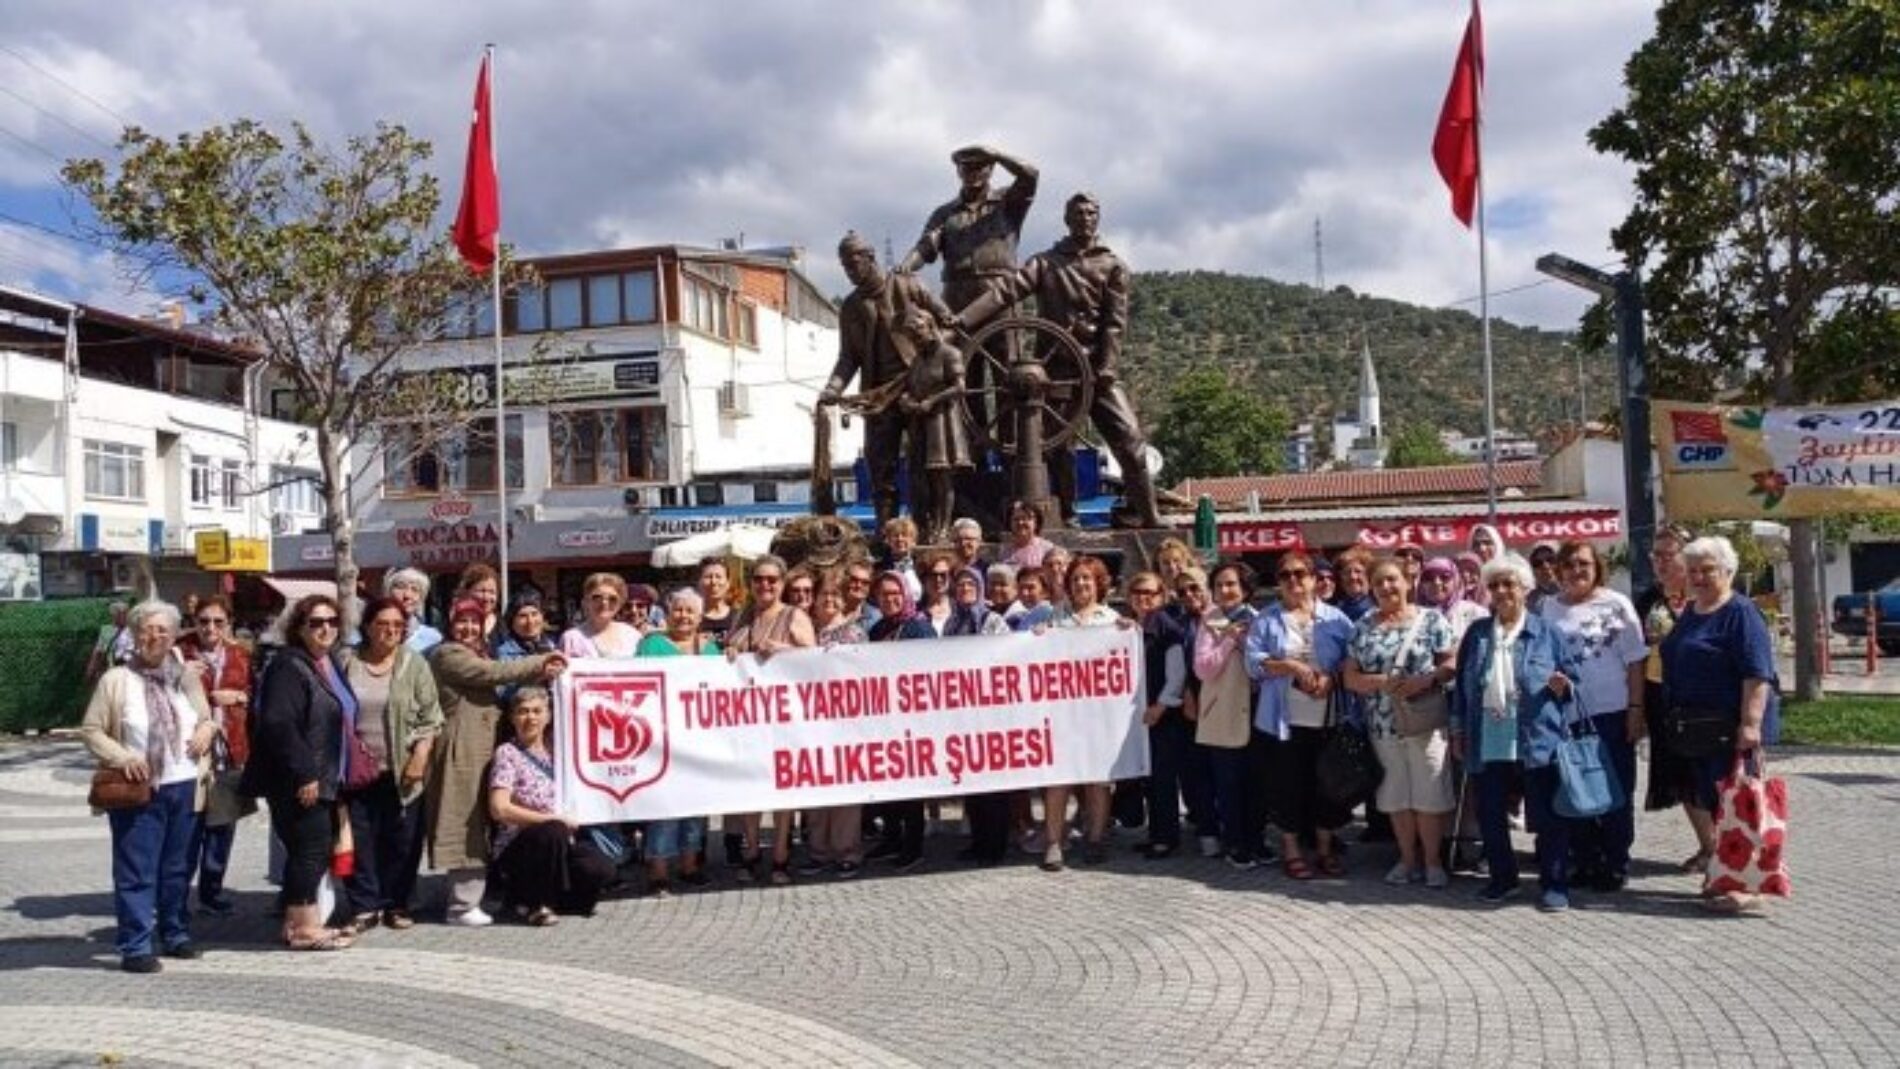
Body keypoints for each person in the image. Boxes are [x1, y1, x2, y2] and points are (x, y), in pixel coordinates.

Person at [958, 192, 1160, 527]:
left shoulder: (1113, 266)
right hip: (1054, 374)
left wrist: (1107, 367)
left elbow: (1115, 324)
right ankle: (1065, 516)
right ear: (1067, 219)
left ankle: (1150, 516)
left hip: (1097, 371)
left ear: (1098, 218)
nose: (1085, 218)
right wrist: (963, 319)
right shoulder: (1045, 263)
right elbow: (1004, 292)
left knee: (1131, 442)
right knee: (1055, 449)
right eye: (1078, 213)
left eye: (1091, 212)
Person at [82, 599, 220, 973]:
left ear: (174, 635)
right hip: (138, 789)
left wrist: (207, 729)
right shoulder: (117, 681)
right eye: (146, 629)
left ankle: (175, 933)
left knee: (178, 868)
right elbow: (91, 730)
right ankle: (136, 944)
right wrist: (123, 757)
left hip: (186, 785)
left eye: (163, 629)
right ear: (134, 634)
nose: (155, 636)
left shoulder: (185, 678)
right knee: (136, 870)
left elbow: (207, 717)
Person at [1448, 554, 1580, 910]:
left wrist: (1563, 685)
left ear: (1525, 588)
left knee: (1547, 815)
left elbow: (1573, 682)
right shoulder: (1476, 634)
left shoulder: (1547, 633)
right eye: (1494, 585)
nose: (1502, 591)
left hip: (1537, 738)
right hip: (1487, 736)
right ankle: (1502, 879)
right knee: (1490, 813)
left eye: (1509, 584)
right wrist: (1458, 731)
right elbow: (1461, 689)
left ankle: (1554, 883)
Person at [1660, 535, 1780, 915]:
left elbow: (1757, 673)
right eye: (1693, 570)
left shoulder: (1741, 613)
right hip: (1696, 726)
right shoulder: (1694, 610)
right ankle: (1723, 874)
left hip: (1730, 726)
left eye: (1707, 569)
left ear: (1728, 571)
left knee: (1737, 806)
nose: (1698, 576)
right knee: (1713, 803)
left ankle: (1747, 885)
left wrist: (1750, 723)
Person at [428, 598, 565, 926]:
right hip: (463, 748)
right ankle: (461, 906)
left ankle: (491, 894)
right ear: (450, 624)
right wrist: (540, 662)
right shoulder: (448, 654)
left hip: (484, 748)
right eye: (462, 622)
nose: (469, 628)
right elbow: (492, 673)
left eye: (475, 622)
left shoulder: (477, 652)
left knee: (483, 824)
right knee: (465, 823)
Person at [819, 231, 954, 529]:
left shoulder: (907, 284)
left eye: (854, 264)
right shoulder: (852, 307)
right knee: (880, 469)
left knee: (923, 466)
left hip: (918, 390)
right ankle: (886, 531)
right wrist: (832, 389)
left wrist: (933, 360)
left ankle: (927, 527)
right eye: (844, 267)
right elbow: (848, 358)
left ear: (870, 258)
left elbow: (947, 320)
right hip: (878, 397)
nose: (850, 272)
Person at [244, 594, 356, 951]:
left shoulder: (325, 663)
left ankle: (296, 924)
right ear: (298, 627)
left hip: (326, 775)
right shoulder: (288, 665)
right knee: (309, 849)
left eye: (332, 622)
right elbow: (278, 723)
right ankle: (304, 927)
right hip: (300, 779)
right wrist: (305, 773)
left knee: (311, 848)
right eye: (316, 623)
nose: (325, 629)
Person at [1538, 540, 1646, 892]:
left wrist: (1635, 708)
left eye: (1583, 563)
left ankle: (1615, 861)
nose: (1576, 571)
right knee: (1575, 788)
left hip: (1612, 712)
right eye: (1568, 564)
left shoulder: (1616, 605)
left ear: (1596, 567)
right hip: (1566, 717)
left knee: (1616, 790)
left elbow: (1634, 661)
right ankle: (1584, 859)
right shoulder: (1548, 607)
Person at [1343, 558, 1457, 889]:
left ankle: (1433, 862)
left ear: (1407, 583)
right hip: (1383, 724)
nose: (1387, 588)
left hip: (1425, 722)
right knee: (1397, 797)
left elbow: (1451, 662)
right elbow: (1350, 678)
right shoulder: (1363, 625)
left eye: (1392, 580)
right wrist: (1380, 681)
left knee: (1429, 795)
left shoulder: (1431, 619)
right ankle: (1407, 860)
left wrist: (1427, 680)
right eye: (1379, 583)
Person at [1247, 553, 1355, 879]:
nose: (1293, 581)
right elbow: (1252, 663)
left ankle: (1324, 849)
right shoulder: (1266, 619)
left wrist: (1332, 678)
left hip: (1329, 717)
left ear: (1313, 578)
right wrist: (1289, 665)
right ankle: (1292, 849)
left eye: (1300, 574)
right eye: (1285, 575)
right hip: (1283, 721)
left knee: (1329, 788)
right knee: (1287, 787)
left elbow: (1353, 661)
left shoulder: (1337, 619)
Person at [339, 596, 443, 933]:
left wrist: (420, 756)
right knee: (361, 837)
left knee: (403, 840)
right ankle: (365, 906)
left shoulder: (414, 664)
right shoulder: (347, 661)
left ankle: (397, 903)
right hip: (356, 770)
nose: (391, 631)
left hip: (402, 768)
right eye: (383, 624)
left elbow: (432, 717)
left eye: (398, 626)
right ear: (368, 626)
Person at [724, 554, 817, 885]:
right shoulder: (743, 616)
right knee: (748, 785)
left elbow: (814, 659)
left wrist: (782, 649)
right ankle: (751, 850)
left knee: (782, 790)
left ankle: (780, 855)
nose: (765, 585)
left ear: (781, 584)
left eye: (771, 580)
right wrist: (731, 652)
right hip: (748, 719)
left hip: (784, 719)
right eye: (759, 579)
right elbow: (727, 654)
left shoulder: (794, 615)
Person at [488, 687, 615, 925]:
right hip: (521, 844)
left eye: (537, 711)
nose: (531, 718)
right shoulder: (508, 753)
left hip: (561, 841)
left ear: (548, 716)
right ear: (513, 717)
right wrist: (551, 820)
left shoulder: (558, 752)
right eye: (523, 712)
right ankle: (538, 904)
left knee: (601, 867)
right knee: (552, 831)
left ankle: (542, 899)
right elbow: (499, 808)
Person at [1038, 555, 1124, 870]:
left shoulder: (1112, 620)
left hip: (1098, 715)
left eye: (1087, 578)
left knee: (1097, 780)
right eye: (1076, 579)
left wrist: (1131, 632)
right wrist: (1034, 639)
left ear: (1098, 583)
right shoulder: (1054, 620)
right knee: (1057, 779)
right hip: (1061, 714)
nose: (1081, 584)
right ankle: (1053, 842)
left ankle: (1096, 837)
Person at [635, 589, 721, 894]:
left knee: (695, 806)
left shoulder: (710, 650)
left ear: (700, 617)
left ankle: (690, 865)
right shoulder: (651, 645)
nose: (683, 616)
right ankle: (658, 871)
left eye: (690, 611)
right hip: (663, 740)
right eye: (678, 610)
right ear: (668, 613)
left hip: (698, 741)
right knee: (664, 806)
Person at [1637, 526, 1712, 869]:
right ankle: (1708, 845)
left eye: (1669, 555)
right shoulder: (1647, 599)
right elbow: (1635, 654)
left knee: (1705, 772)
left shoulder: (1705, 596)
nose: (1661, 562)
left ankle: (1727, 847)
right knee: (1679, 773)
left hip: (1700, 698)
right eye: (1656, 555)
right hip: (1659, 695)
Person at [177, 594, 252, 917]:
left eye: (218, 621)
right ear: (194, 621)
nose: (210, 627)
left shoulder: (239, 654)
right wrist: (179, 673)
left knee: (222, 829)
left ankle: (211, 891)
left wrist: (238, 696)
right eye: (204, 621)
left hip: (230, 751)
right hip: (191, 754)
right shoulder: (179, 652)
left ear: (228, 624)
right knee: (188, 831)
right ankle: (176, 895)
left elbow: (254, 693)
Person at [799, 571, 869, 877]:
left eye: (835, 596)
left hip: (846, 723)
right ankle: (818, 850)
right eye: (824, 595)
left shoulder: (855, 633)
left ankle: (847, 851)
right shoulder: (805, 630)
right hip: (810, 722)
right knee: (815, 790)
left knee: (845, 793)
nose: (829, 600)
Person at [1192, 562, 1260, 867]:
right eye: (1219, 585)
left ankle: (1256, 840)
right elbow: (1203, 668)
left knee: (1255, 782)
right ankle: (1234, 842)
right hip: (1222, 711)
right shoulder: (1209, 622)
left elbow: (1264, 665)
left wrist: (1245, 642)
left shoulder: (1260, 620)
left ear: (1245, 588)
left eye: (1231, 584)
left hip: (1257, 711)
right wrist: (1229, 639)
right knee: (1228, 784)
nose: (1225, 590)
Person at [866, 571, 936, 870]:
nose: (890, 599)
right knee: (888, 782)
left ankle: (913, 845)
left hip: (913, 718)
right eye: (883, 595)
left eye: (895, 593)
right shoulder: (878, 629)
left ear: (906, 594)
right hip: (884, 718)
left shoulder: (919, 628)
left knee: (911, 785)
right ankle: (892, 837)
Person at [896, 308, 974, 544]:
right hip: (920, 424)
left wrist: (933, 401)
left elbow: (960, 387)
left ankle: (943, 526)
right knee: (921, 477)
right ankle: (926, 524)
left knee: (942, 477)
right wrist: (907, 401)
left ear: (930, 328)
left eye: (918, 334)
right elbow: (910, 388)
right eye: (911, 336)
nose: (915, 340)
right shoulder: (917, 361)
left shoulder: (950, 353)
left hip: (943, 421)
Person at [1127, 571, 1190, 859]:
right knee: (1149, 778)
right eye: (1138, 593)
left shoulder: (1168, 629)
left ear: (1162, 597)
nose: (1144, 598)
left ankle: (1166, 837)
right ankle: (1155, 833)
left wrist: (1161, 706)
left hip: (1162, 716)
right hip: (1141, 715)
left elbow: (1176, 675)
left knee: (1163, 779)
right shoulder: (1130, 628)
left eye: (1150, 593)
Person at [495, 588, 558, 707]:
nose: (530, 621)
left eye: (534, 614)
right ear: (512, 622)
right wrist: (534, 677)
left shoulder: (554, 647)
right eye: (522, 616)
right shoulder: (502, 654)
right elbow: (501, 693)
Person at [562, 573, 643, 659]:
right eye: (597, 597)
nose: (604, 603)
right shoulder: (571, 638)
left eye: (612, 599)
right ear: (585, 602)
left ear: (620, 604)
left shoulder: (632, 635)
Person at [1417, 557, 1489, 647]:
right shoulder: (1414, 615)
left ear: (1456, 580)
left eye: (1444, 577)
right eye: (1429, 578)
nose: (1437, 582)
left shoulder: (1476, 614)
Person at [383, 568, 442, 653]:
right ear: (388, 592)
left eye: (415, 589)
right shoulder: (369, 633)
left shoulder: (433, 638)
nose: (407, 595)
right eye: (401, 587)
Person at [999, 499, 1057, 569]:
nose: (1020, 523)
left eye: (1025, 518)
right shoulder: (1005, 551)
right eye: (1016, 519)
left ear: (1036, 522)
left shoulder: (1047, 549)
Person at [878, 517, 925, 603]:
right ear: (888, 540)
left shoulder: (922, 566)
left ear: (913, 541)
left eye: (904, 535)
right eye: (895, 535)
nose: (900, 539)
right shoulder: (880, 569)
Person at [697, 558, 738, 646]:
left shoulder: (739, 618)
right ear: (699, 583)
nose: (713, 582)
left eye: (718, 577)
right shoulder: (690, 619)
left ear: (728, 583)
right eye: (708, 577)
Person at [456, 563, 502, 640]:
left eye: (492, 592)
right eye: (482, 591)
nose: (487, 597)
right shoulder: (455, 623)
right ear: (466, 592)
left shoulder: (504, 626)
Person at [1331, 547, 1376, 621]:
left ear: (1368, 575)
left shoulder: (1379, 605)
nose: (1352, 577)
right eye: (1347, 572)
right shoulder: (1335, 611)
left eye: (1358, 571)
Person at [1011, 565, 1058, 632]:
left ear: (1046, 591)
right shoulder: (1016, 617)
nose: (1024, 593)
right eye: (1021, 587)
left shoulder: (1051, 614)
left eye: (1031, 588)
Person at [1528, 543, 1562, 613]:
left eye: (1550, 559)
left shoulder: (1575, 593)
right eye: (1538, 563)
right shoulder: (1529, 601)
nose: (1546, 566)